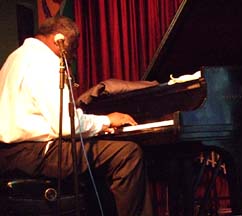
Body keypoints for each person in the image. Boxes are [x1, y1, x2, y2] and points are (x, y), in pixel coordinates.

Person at [0, 16, 152, 216]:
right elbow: (64, 125)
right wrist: (106, 120)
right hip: (34, 154)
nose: (71, 57)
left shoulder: (16, 56)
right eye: (72, 49)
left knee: (100, 156)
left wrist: (95, 127)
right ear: (58, 40)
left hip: (10, 154)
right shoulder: (45, 61)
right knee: (127, 154)